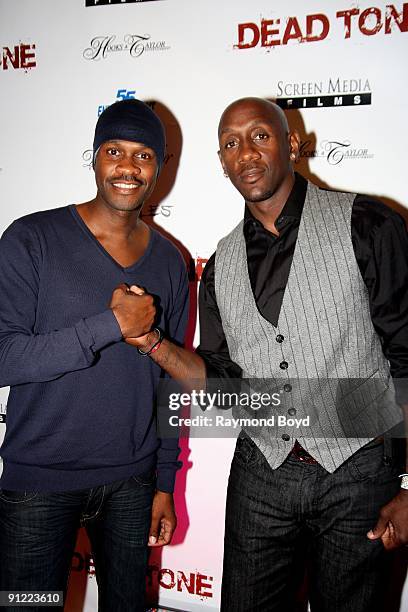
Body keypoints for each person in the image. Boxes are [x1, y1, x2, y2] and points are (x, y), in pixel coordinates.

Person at [128, 97, 408, 611]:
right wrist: (153, 343)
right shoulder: (219, 264)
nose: (247, 153)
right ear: (221, 161)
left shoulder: (368, 224)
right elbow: (223, 382)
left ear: (293, 144)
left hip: (359, 470)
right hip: (262, 473)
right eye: (232, 143)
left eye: (260, 136)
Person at [0, 99, 189, 611]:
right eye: (114, 151)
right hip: (38, 484)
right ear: (94, 158)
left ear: (159, 168)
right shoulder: (32, 238)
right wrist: (109, 326)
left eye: (144, 155)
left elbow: (171, 382)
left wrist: (165, 481)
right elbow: (5, 356)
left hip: (132, 482)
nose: (128, 167)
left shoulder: (172, 262)